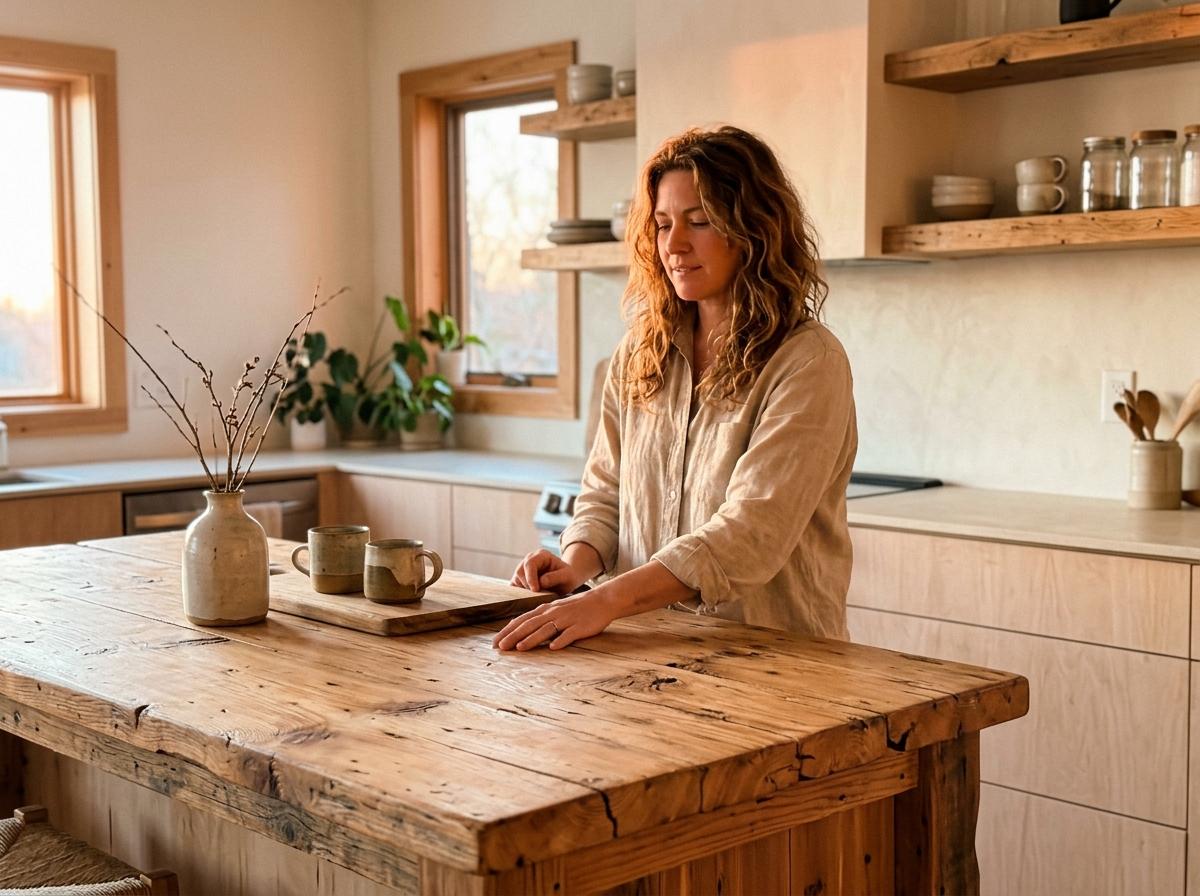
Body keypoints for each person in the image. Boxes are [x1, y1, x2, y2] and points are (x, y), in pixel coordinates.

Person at [493, 125, 857, 652]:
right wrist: (576, 566)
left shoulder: (808, 362)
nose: (674, 245)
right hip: (653, 657)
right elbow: (604, 491)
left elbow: (749, 535)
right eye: (662, 225)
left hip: (775, 659)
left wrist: (606, 600)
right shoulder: (639, 353)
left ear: (754, 229)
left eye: (700, 221)